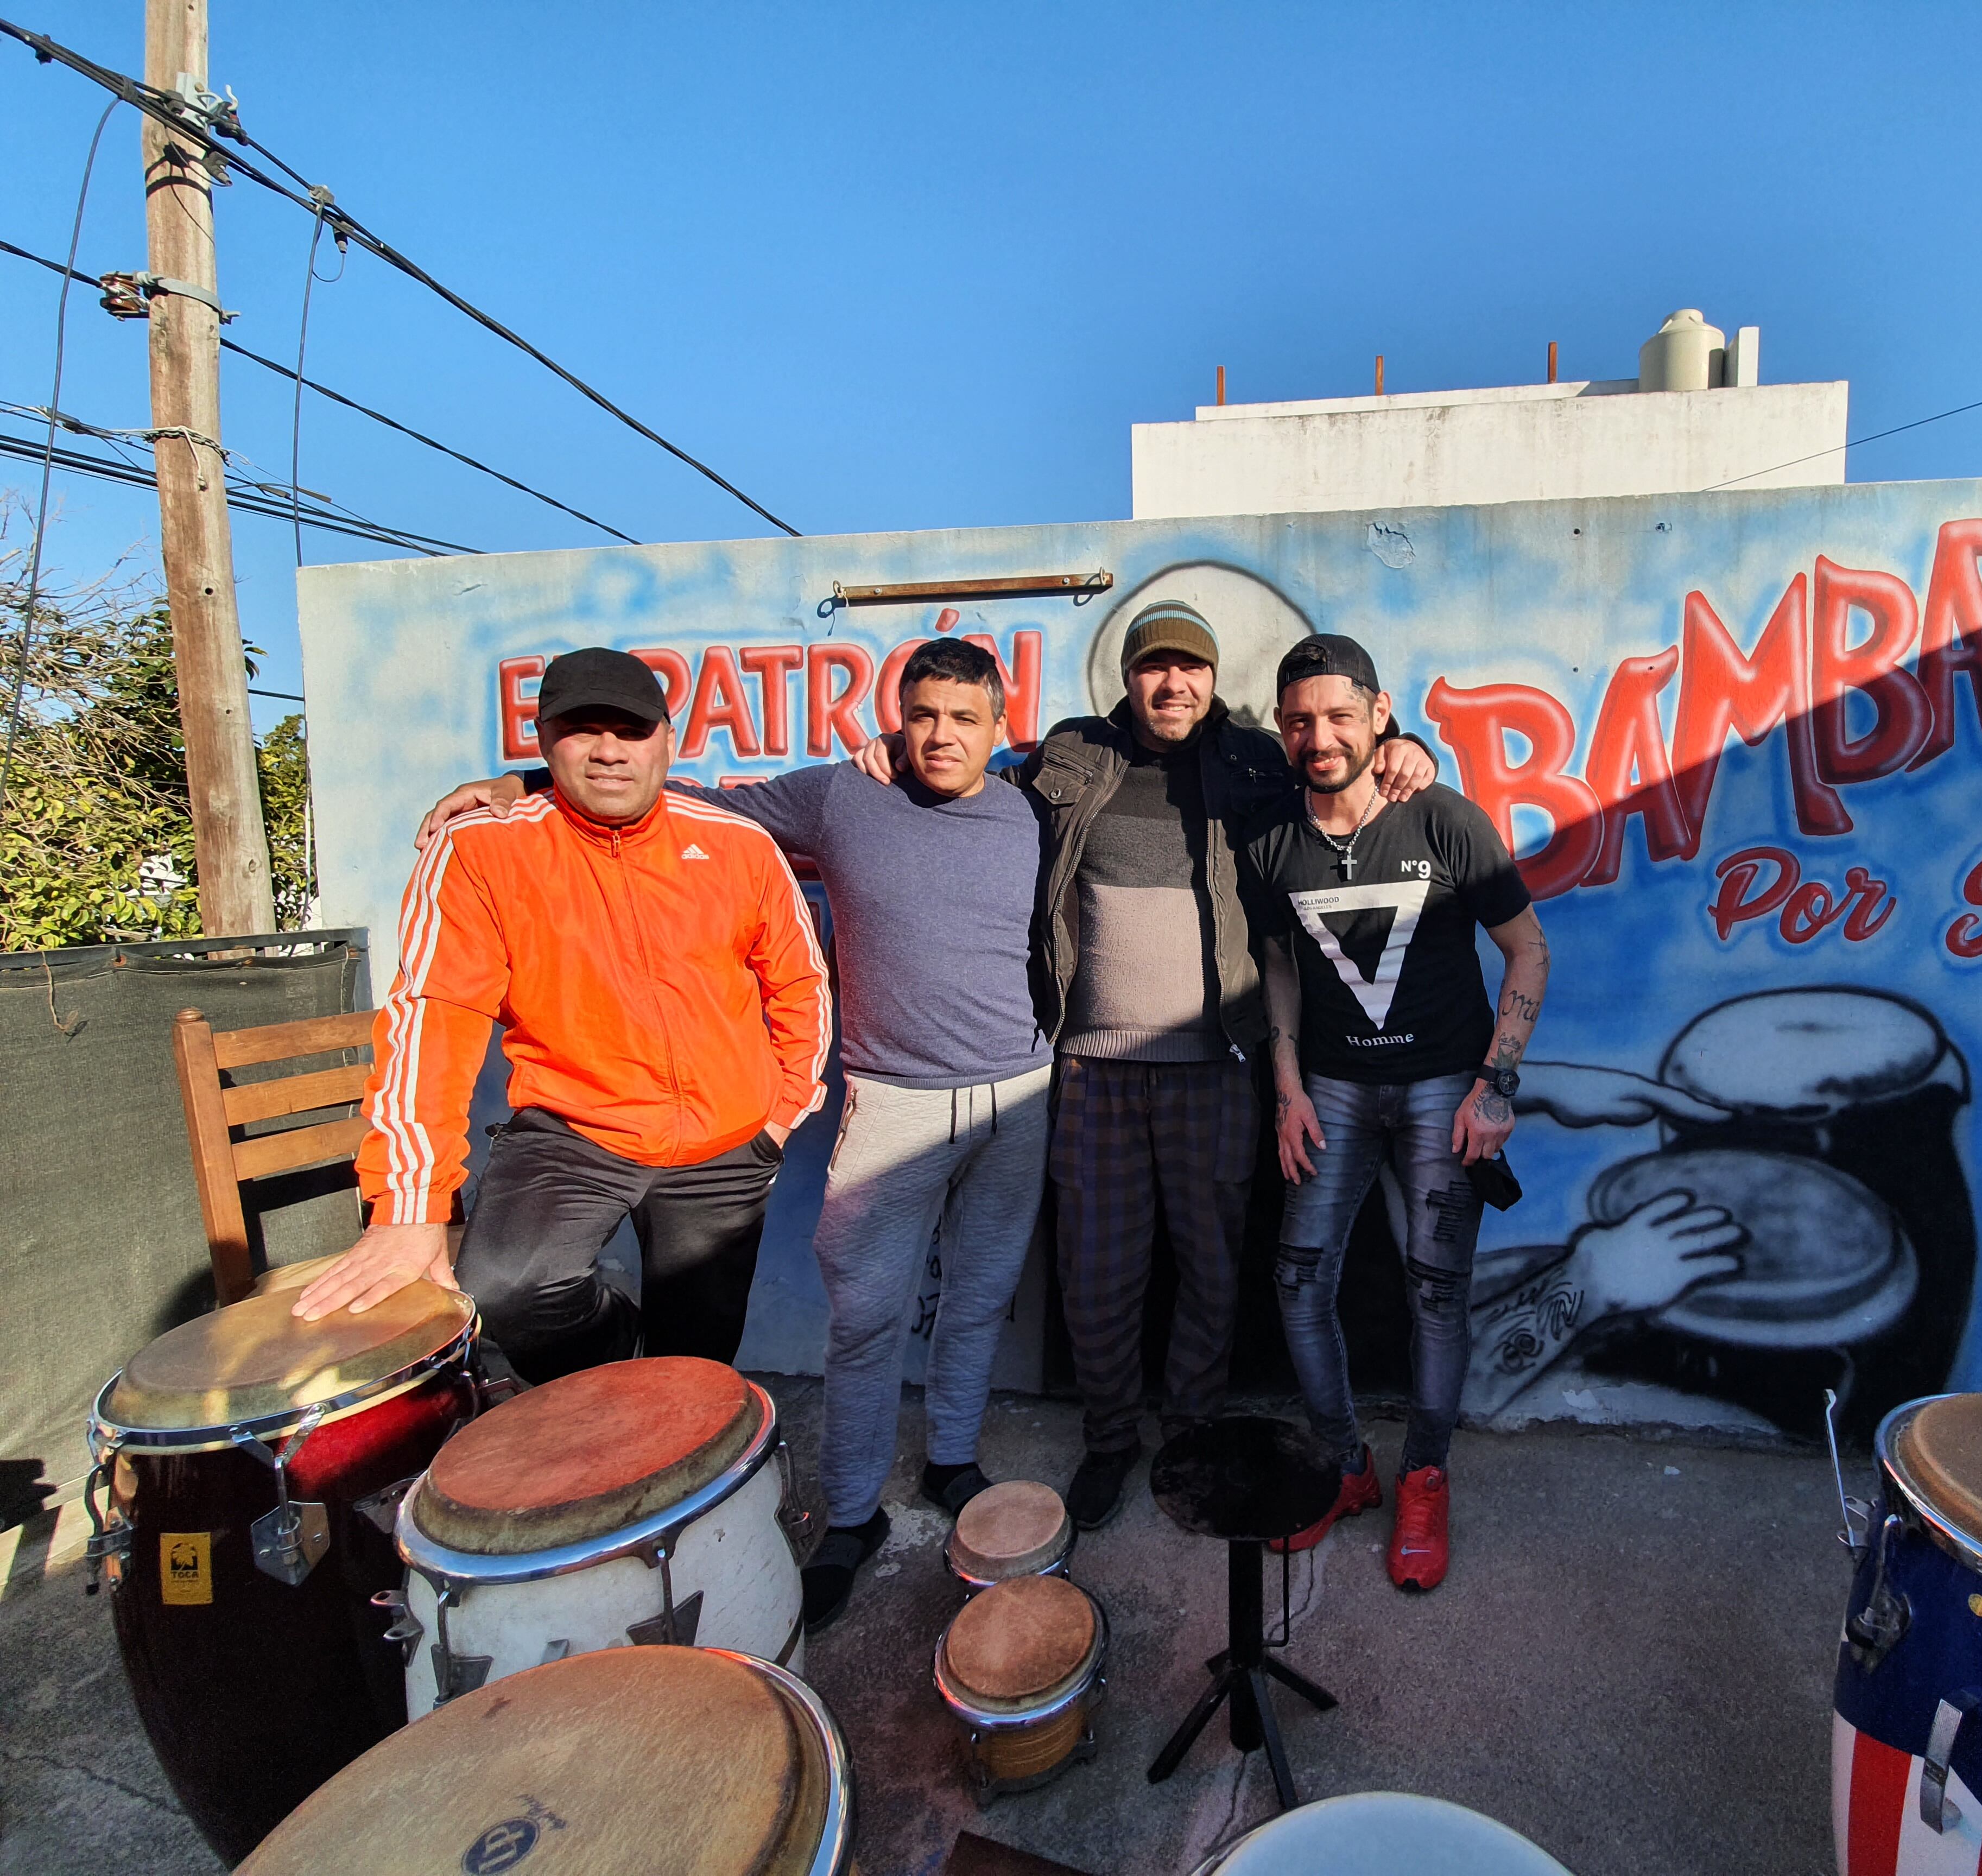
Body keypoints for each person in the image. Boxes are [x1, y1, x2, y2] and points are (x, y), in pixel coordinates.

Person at [416, 640, 1053, 1632]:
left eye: (965, 719)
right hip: (896, 1103)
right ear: (898, 717)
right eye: (924, 715)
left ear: (998, 725)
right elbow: (681, 797)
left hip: (1021, 1092)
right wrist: (527, 780)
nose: (942, 736)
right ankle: (849, 1517)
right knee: (869, 1314)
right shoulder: (840, 799)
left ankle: (953, 1461)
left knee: (977, 1297)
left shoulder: (1030, 807)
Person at [858, 601, 1438, 1528]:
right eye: (1155, 668)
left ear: (1213, 680)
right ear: (1128, 678)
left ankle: (1193, 1429)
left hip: (1217, 1059)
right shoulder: (1071, 753)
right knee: (1097, 1273)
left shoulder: (1254, 757)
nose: (1175, 685)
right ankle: (1111, 1439)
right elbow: (973, 778)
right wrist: (895, 755)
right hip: (1090, 1067)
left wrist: (1411, 745)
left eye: (1192, 669)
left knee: (1211, 1266)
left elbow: (1343, 767)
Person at [297, 648, 831, 1394]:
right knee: (507, 1291)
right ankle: (617, 1377)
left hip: (727, 1143)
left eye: (632, 730)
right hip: (574, 1132)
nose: (610, 749)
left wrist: (780, 1116)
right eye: (584, 730)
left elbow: (801, 981)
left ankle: (667, 1459)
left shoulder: (740, 845)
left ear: (668, 742)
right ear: (544, 739)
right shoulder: (483, 845)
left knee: (702, 1360)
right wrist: (409, 1209)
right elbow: (432, 1017)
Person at [1242, 633, 1550, 1592]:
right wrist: (1288, 1088)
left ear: (1381, 716)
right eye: (1299, 720)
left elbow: (1528, 952)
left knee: (1435, 1296)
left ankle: (1425, 1476)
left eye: (1340, 716)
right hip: (1329, 1091)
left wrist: (1495, 1087)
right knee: (1298, 1286)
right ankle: (1345, 1468)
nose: (1318, 736)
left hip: (1438, 1090)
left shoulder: (1444, 817)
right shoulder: (1269, 840)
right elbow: (1283, 966)